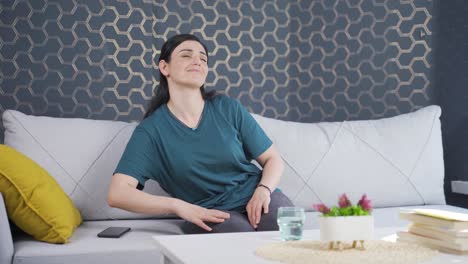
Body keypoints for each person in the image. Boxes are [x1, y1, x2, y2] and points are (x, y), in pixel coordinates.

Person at [107, 33, 293, 234]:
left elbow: (273, 159)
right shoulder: (150, 132)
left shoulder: (228, 108)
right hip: (206, 211)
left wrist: (263, 191)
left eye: (203, 58)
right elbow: (117, 193)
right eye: (186, 55)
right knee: (236, 235)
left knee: (284, 221)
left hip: (256, 195)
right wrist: (177, 206)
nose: (197, 61)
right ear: (164, 67)